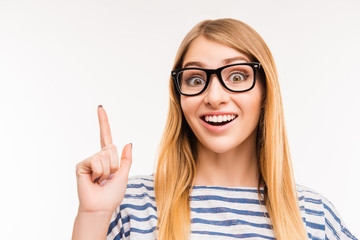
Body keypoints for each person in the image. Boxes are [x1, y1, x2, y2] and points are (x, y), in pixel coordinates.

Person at [72, 18, 357, 240]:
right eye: (196, 80)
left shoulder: (314, 216)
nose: (214, 97)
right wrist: (93, 215)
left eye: (236, 76)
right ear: (180, 97)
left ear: (265, 91)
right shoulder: (131, 205)